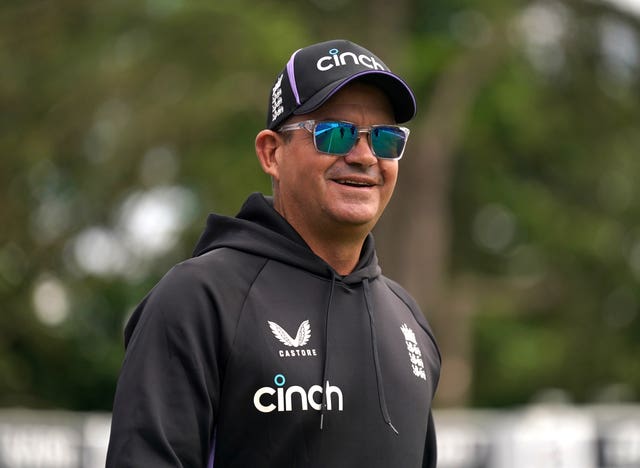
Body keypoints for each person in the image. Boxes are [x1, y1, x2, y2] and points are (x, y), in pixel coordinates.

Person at [106, 39, 441, 467]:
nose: (364, 156)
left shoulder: (409, 319)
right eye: (334, 135)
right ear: (271, 153)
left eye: (385, 139)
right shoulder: (198, 299)